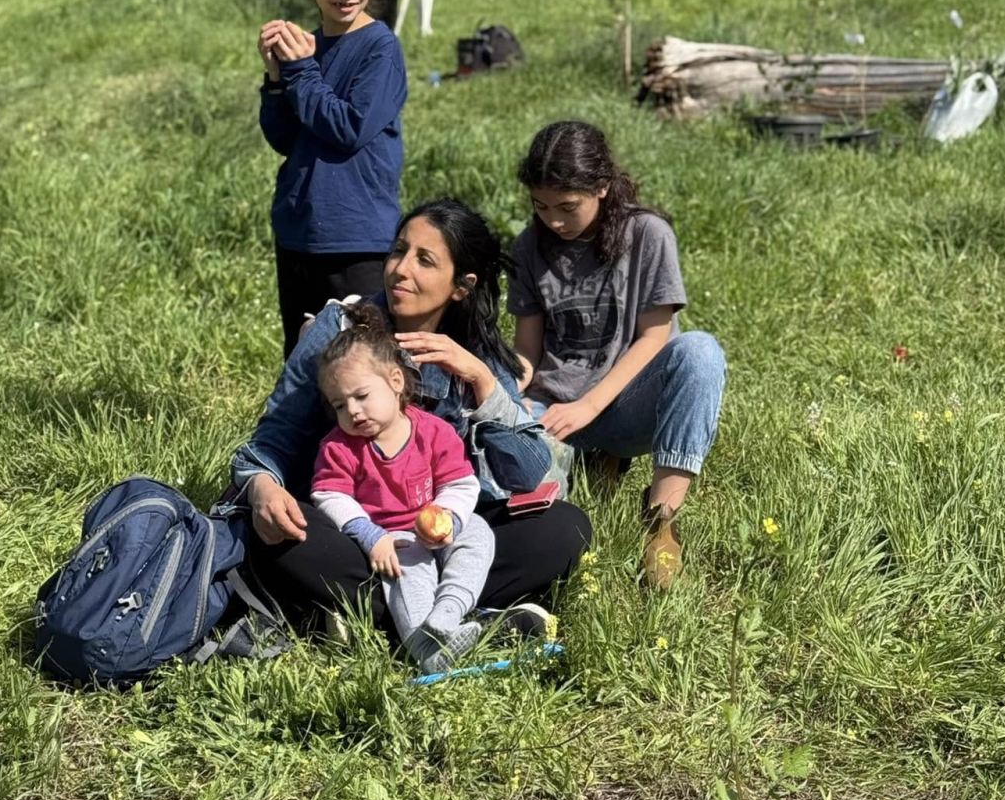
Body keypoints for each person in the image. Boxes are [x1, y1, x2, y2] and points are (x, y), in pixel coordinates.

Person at [229, 198, 589, 632]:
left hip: (442, 532)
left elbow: (530, 476)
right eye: (399, 251)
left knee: (565, 528)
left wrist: (481, 382)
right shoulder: (341, 328)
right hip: (353, 534)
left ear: (462, 285)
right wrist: (263, 490)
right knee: (273, 534)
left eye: (425, 260)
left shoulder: (478, 356)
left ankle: (379, 614)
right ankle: (448, 616)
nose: (401, 269)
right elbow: (274, 438)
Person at [510, 120, 726, 590]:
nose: (554, 220)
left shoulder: (647, 234)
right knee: (527, 501)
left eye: (568, 207)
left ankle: (661, 521)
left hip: (620, 404)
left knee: (701, 352)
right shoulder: (528, 247)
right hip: (553, 413)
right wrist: (509, 396)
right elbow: (527, 350)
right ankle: (594, 462)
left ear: (602, 187)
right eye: (540, 206)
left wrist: (588, 406)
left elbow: (654, 336)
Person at [312, 302, 495, 672]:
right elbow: (329, 494)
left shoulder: (432, 431)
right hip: (394, 538)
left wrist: (450, 519)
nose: (354, 412)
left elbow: (460, 482)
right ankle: (424, 648)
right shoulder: (340, 447)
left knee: (479, 533)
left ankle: (448, 613)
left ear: (396, 382)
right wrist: (371, 535)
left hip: (435, 524)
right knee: (407, 574)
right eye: (340, 405)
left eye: (361, 396)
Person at [259, 0, 407, 358]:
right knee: (304, 358)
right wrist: (275, 78)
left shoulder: (380, 48)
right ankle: (302, 432)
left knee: (356, 361)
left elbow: (348, 128)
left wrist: (301, 71)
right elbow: (287, 138)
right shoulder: (307, 46)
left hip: (356, 235)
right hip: (300, 229)